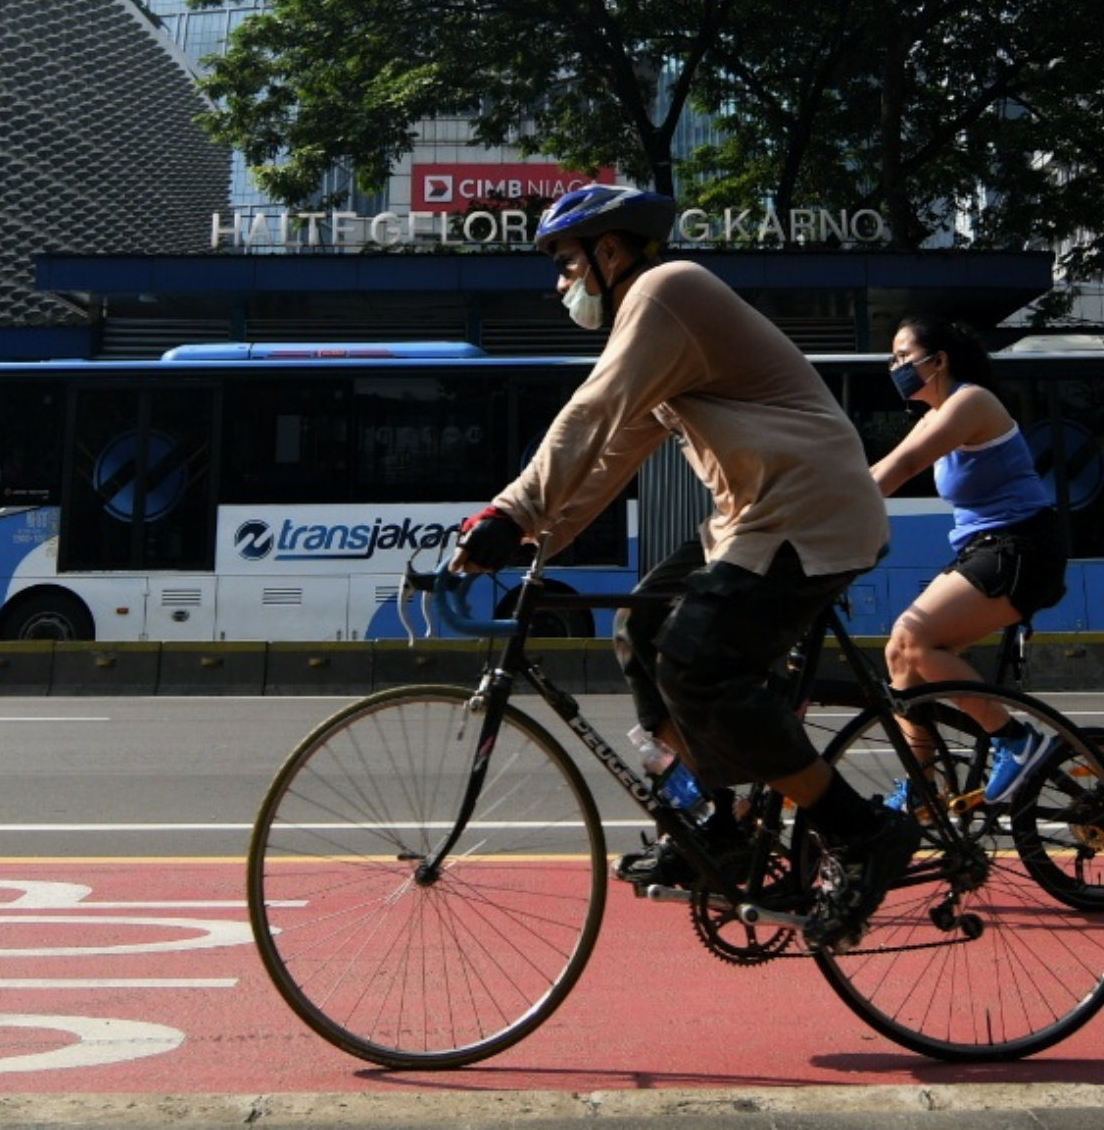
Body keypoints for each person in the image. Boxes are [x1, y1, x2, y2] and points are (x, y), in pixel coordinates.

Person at [451, 183, 912, 946]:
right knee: (641, 630)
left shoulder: (666, 292)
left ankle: (861, 832)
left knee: (697, 664)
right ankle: (721, 821)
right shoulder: (655, 324)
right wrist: (540, 539)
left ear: (609, 251)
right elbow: (612, 455)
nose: (559, 282)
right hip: (754, 515)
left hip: (805, 510)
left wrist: (511, 512)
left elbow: (590, 412)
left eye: (566, 263)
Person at [867, 316, 1071, 803]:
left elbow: (900, 468)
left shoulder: (972, 402)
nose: (895, 367)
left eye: (902, 356)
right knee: (899, 655)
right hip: (987, 549)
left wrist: (817, 513)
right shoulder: (932, 417)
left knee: (917, 638)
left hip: (1022, 546)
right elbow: (875, 469)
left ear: (938, 361)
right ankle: (923, 787)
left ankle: (1016, 739)